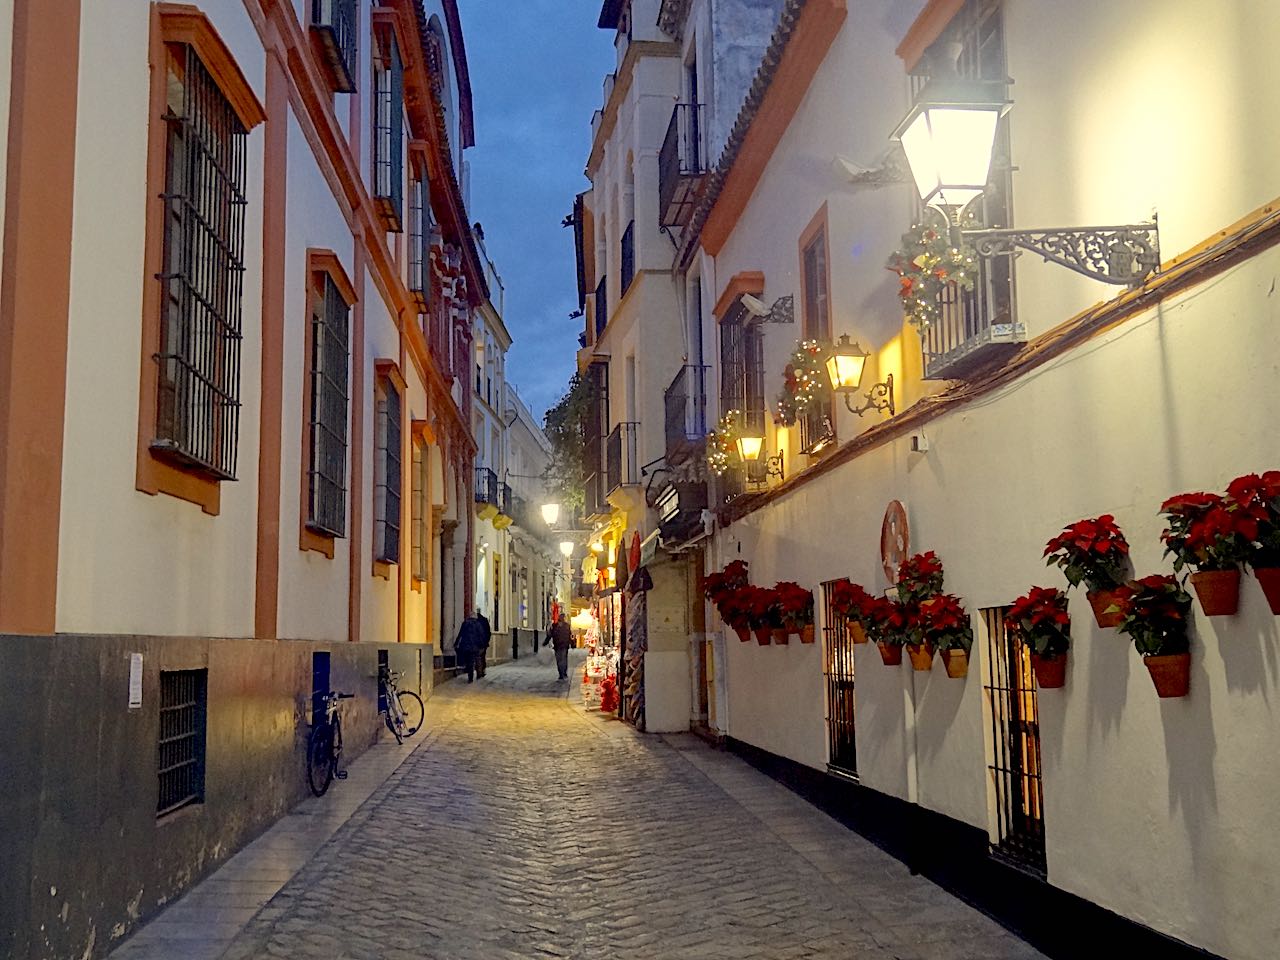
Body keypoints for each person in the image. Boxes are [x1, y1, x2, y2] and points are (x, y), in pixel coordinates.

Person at [455, 614, 484, 683]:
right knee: (475, 660)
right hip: (475, 646)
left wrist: (456, 643)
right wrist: (482, 645)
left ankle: (470, 676)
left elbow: (460, 634)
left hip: (466, 645)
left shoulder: (465, 623)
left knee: (468, 661)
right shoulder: (478, 624)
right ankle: (475, 675)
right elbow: (481, 635)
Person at [550, 614, 573, 681]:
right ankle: (563, 673)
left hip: (558, 646)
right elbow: (569, 635)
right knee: (563, 660)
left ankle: (561, 674)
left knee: (559, 660)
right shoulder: (566, 626)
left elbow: (550, 635)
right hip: (563, 646)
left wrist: (545, 643)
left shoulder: (555, 625)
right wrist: (571, 643)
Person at [475, 612, 492, 679]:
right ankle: (482, 670)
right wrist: (486, 641)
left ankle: (479, 671)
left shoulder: (476, 622)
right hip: (483, 643)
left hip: (476, 642)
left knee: (477, 657)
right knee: (482, 656)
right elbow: (488, 632)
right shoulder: (485, 620)